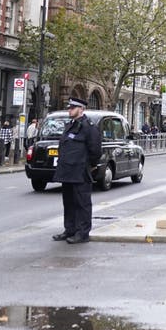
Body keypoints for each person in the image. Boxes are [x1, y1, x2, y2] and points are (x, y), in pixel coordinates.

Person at [52, 98, 102, 244]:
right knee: (68, 203)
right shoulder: (70, 125)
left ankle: (82, 233)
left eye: (72, 108)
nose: (69, 110)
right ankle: (70, 229)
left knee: (82, 203)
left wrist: (90, 166)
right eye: (69, 107)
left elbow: (95, 150)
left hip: (80, 171)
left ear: (81, 109)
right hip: (67, 171)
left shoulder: (89, 127)